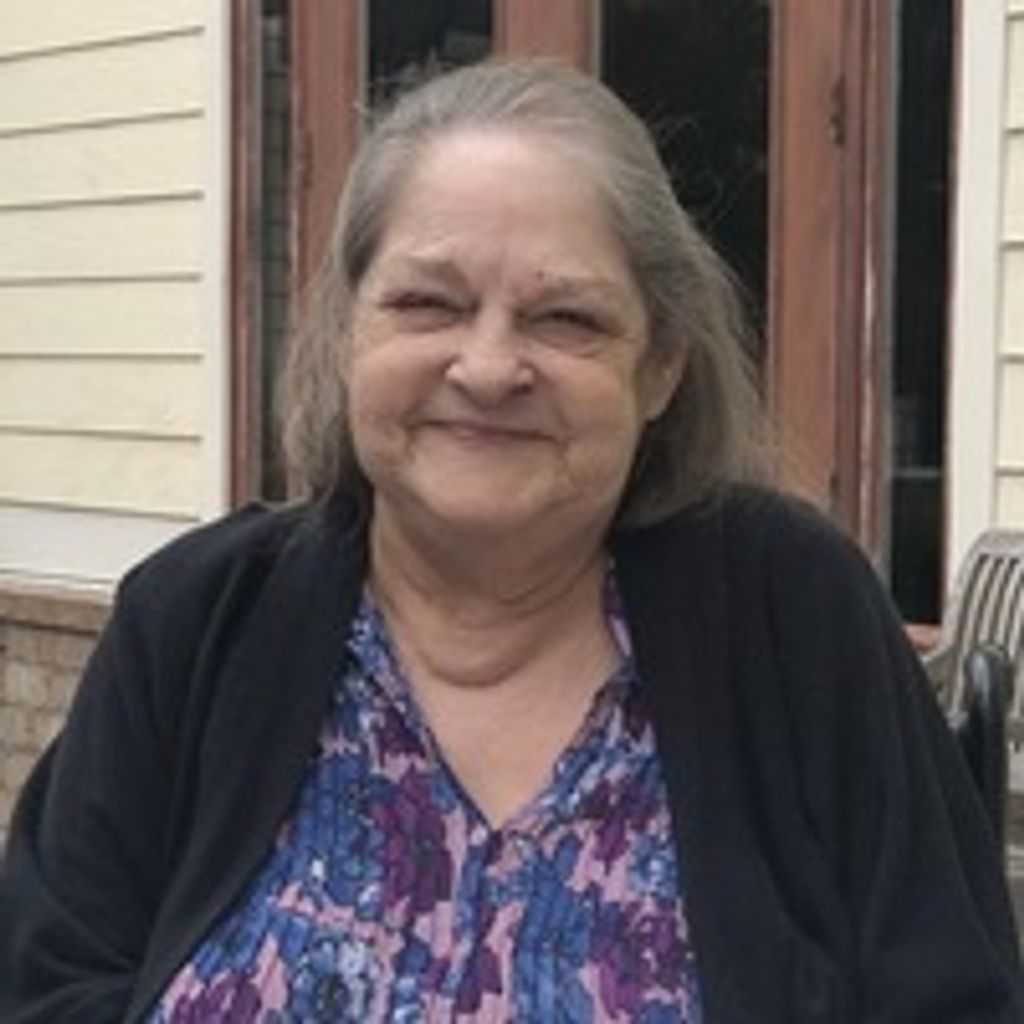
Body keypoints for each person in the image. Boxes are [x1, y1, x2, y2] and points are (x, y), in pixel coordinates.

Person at [0, 59, 1021, 1023]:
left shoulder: (791, 612)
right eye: (426, 303)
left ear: (661, 366)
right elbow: (43, 985)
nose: (488, 368)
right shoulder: (195, 618)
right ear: (348, 331)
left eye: (566, 317)